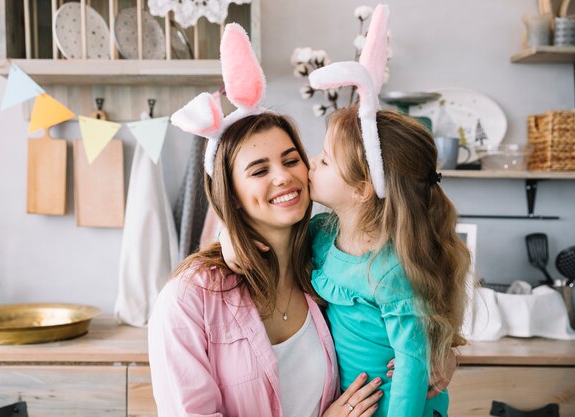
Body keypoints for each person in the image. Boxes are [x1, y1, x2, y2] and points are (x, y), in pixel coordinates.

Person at [220, 5, 469, 417]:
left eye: (324, 160)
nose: (308, 164)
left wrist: (443, 354)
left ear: (360, 189)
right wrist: (228, 236)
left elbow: (410, 369)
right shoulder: (319, 232)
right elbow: (259, 233)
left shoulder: (390, 271)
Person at [148, 23, 384, 417]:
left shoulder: (326, 261)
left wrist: (440, 354)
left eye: (291, 159)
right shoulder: (190, 300)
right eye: (258, 170)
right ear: (232, 195)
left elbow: (406, 286)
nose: (283, 176)